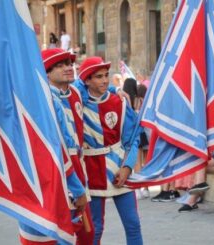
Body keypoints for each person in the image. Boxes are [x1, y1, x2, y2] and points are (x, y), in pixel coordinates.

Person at [19, 49, 88, 245]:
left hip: (69, 174)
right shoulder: (46, 101)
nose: (68, 68)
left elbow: (91, 86)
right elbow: (59, 151)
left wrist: (117, 90)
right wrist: (77, 189)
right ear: (46, 72)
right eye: (60, 65)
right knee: (57, 235)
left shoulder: (73, 91)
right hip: (55, 179)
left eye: (69, 63)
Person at [78, 56, 143, 245]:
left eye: (106, 75)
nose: (105, 80)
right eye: (98, 77)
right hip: (91, 172)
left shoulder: (121, 103)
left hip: (118, 168)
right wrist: (116, 87)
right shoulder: (77, 101)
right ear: (87, 80)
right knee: (95, 229)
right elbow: (74, 84)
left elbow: (132, 139)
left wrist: (127, 167)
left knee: (133, 224)